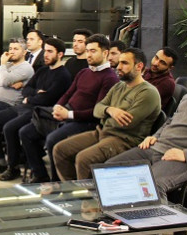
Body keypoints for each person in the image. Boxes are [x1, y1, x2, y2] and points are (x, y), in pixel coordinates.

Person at [106, 52, 187, 202]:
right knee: (108, 171)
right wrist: (155, 136)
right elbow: (170, 121)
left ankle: (157, 217)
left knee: (150, 187)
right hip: (158, 148)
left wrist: (185, 155)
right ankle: (117, 215)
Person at [19, 34, 119, 182]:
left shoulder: (110, 78)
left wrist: (69, 114)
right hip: (67, 113)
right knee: (26, 132)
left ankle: (57, 182)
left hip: (86, 122)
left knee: (52, 140)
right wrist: (58, 106)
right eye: (88, 50)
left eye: (93, 51)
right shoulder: (84, 72)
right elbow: (68, 93)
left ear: (105, 53)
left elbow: (98, 111)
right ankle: (40, 175)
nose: (88, 55)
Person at [53, 47, 161, 181]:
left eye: (124, 63)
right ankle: (75, 189)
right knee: (60, 149)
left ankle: (90, 194)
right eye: (119, 62)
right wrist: (110, 110)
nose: (118, 67)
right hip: (103, 132)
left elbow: (126, 123)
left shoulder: (148, 92)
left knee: (84, 158)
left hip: (125, 140)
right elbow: (97, 109)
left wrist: (105, 116)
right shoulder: (119, 86)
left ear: (139, 66)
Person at [0, 37, 72, 181]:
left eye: (50, 52)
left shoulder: (63, 75)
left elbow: (47, 99)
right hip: (24, 106)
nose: (46, 55)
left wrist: (31, 97)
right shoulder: (42, 70)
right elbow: (27, 89)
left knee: (10, 128)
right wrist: (35, 93)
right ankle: (0, 161)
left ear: (60, 54)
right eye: (45, 51)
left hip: (38, 111)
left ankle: (13, 168)